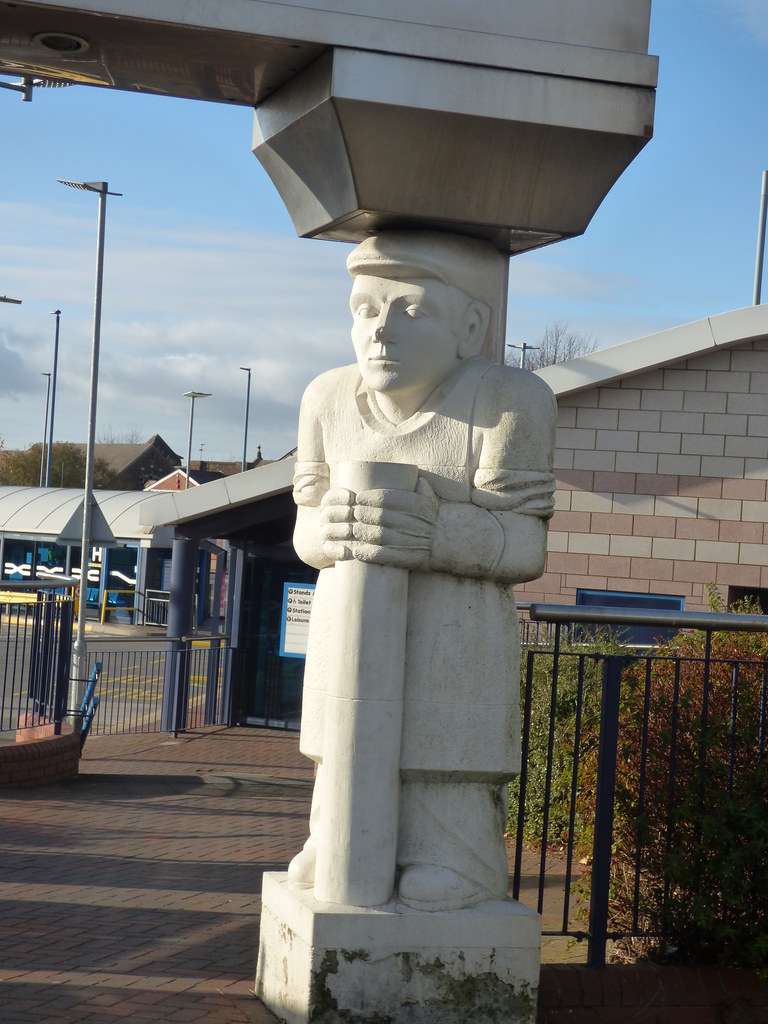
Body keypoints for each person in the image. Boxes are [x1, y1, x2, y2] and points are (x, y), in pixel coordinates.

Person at [289, 230, 557, 910]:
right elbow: (304, 530)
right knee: (340, 736)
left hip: (454, 624)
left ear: (470, 326)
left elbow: (524, 545)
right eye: (365, 309)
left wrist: (435, 534)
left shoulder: (509, 400)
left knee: (445, 731)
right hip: (349, 617)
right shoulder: (324, 397)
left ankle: (453, 853)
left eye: (411, 309)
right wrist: (334, 528)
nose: (380, 330)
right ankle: (336, 828)